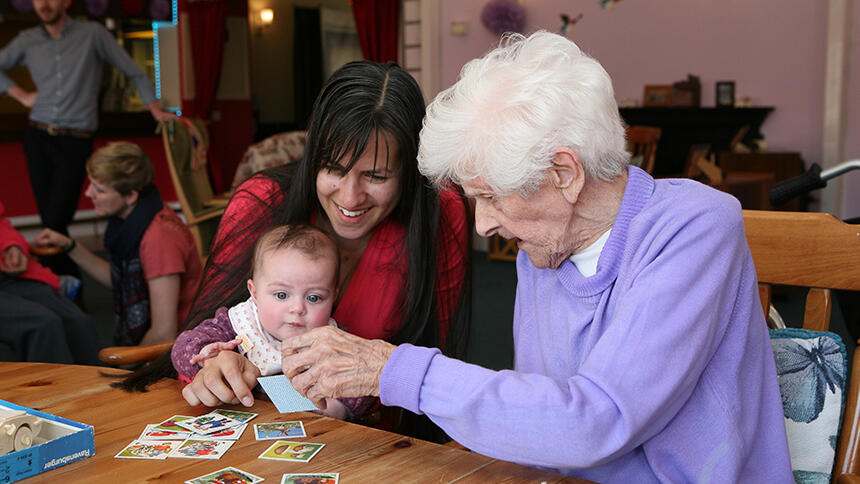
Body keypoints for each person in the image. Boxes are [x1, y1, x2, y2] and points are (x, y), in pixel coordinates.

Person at [278, 31, 793, 482]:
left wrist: (394, 370)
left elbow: (597, 419)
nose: (481, 224)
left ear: (565, 174)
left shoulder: (696, 226)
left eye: (492, 196)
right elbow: (540, 421)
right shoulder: (545, 245)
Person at [118, 61, 472, 441]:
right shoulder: (262, 201)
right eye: (334, 169)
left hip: (362, 440)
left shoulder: (439, 214)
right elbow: (199, 335)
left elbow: (432, 366)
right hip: (243, 425)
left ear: (408, 173)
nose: (350, 198)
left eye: (376, 176)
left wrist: (350, 405)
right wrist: (212, 364)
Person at [0, 0, 175, 276]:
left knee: (55, 221)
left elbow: (132, 70)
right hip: (37, 138)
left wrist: (154, 108)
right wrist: (20, 95)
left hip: (74, 141)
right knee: (51, 221)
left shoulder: (93, 34)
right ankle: (67, 286)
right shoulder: (27, 40)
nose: (44, 3)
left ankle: (55, 285)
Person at [171, 223, 370, 420]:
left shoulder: (336, 341)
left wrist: (341, 406)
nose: (297, 308)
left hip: (307, 435)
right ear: (255, 293)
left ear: (333, 297)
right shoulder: (239, 323)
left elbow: (365, 389)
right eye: (282, 295)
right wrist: (208, 357)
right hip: (238, 424)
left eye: (314, 298)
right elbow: (182, 348)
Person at [34, 141, 202, 346]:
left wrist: (124, 366)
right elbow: (118, 279)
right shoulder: (132, 220)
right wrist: (69, 246)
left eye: (100, 190)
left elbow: (163, 333)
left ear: (131, 196)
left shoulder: (159, 238)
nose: (88, 194)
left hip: (180, 349)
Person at [0, 200, 99, 364]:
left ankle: (99, 388)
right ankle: (43, 389)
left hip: (7, 274)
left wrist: (12, 246)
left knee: (76, 321)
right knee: (42, 324)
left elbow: (1, 225)